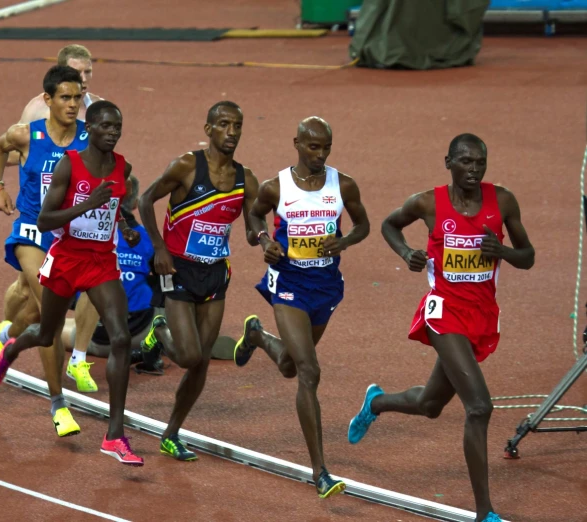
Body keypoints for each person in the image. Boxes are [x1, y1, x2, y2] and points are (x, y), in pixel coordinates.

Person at [346, 134, 534, 522]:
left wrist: (504, 253)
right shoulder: (428, 203)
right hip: (443, 313)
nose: (474, 169)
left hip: (481, 315)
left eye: (481, 162)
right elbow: (389, 225)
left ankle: (376, 402)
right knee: (479, 406)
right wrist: (406, 253)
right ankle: (485, 514)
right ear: (448, 162)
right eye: (466, 162)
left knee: (431, 405)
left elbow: (528, 256)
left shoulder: (503, 201)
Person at [0, 101, 144, 466]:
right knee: (46, 335)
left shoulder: (123, 167)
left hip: (101, 262)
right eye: (105, 126)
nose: (113, 132)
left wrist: (126, 229)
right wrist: (87, 204)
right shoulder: (68, 164)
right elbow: (44, 220)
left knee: (120, 337)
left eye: (117, 126)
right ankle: (11, 349)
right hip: (67, 257)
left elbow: (118, 206)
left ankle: (114, 435)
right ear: (90, 128)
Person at [234, 117, 370, 498]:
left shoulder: (343, 184)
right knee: (309, 370)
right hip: (289, 283)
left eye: (326, 147)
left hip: (325, 287)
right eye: (313, 147)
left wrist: (343, 244)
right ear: (297, 143)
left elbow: (363, 226)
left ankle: (258, 335)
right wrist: (264, 240)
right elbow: (254, 215)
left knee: (291, 365)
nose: (321, 154)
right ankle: (320, 471)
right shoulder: (276, 186)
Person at [0, 66, 99, 439]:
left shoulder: (88, 139)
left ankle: (7, 337)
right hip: (32, 230)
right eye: (64, 97)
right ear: (47, 100)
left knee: (32, 312)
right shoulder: (25, 135)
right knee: (50, 307)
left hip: (68, 236)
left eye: (77, 98)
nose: (72, 104)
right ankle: (58, 403)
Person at [138, 101, 259, 461]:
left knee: (202, 361)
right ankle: (157, 331)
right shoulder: (188, 166)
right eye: (224, 124)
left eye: (237, 125)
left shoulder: (245, 179)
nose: (232, 132)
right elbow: (146, 200)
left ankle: (172, 433)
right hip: (177, 270)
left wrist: (264, 239)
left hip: (215, 274)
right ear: (209, 130)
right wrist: (158, 249)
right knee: (189, 356)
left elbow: (253, 227)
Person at [0, 44, 106, 378]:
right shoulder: (34, 111)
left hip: (76, 224)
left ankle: (76, 358)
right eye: (77, 73)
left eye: (88, 72)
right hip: (36, 221)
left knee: (84, 291)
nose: (83, 81)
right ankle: (8, 340)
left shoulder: (99, 112)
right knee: (32, 299)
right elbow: (15, 150)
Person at [59, 175, 171, 373]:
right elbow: (167, 285)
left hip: (99, 338)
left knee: (54, 327)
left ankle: (26, 330)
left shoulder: (84, 236)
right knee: (163, 290)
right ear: (135, 204)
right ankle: (167, 337)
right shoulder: (146, 239)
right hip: (139, 331)